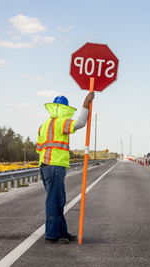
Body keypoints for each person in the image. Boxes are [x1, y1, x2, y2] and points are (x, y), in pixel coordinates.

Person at [36, 92, 94, 244]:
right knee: (54, 202)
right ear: (64, 109)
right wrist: (86, 103)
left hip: (45, 166)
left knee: (58, 201)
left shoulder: (43, 126)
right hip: (55, 166)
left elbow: (39, 149)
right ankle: (52, 235)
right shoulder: (61, 122)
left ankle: (62, 232)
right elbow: (81, 123)